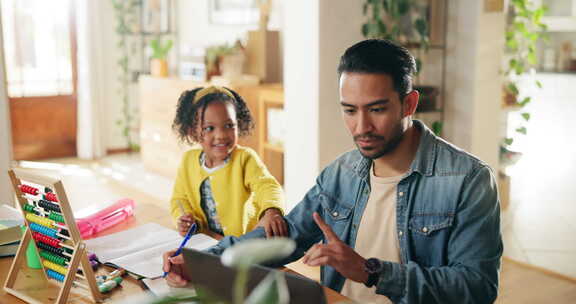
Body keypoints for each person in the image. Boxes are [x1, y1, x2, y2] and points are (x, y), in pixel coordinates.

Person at [163, 39, 502, 304]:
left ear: (409, 104)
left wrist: (371, 272)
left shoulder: (468, 181)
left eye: (377, 109)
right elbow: (286, 235)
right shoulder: (341, 174)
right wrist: (200, 261)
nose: (361, 127)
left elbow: (477, 289)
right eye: (349, 110)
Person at [170, 86, 287, 238]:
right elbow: (179, 199)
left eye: (229, 125)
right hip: (207, 240)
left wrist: (272, 210)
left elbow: (267, 186)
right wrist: (184, 218)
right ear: (193, 132)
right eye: (209, 128)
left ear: (238, 124)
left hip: (244, 245)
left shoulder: (245, 159)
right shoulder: (188, 161)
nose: (221, 135)